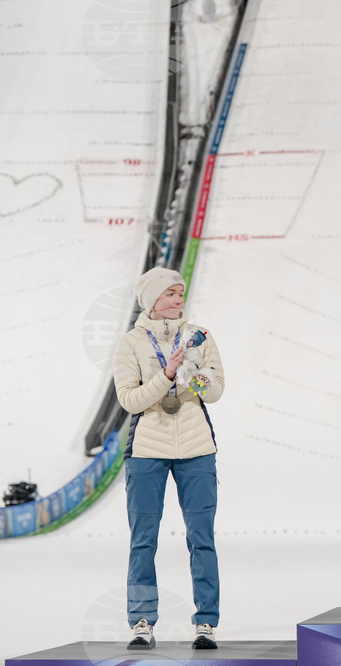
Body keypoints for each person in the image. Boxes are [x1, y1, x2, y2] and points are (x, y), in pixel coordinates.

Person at [112, 267, 225, 650]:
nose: (179, 299)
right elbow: (129, 400)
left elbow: (215, 391)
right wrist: (167, 373)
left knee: (202, 539)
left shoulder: (200, 336)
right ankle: (142, 621)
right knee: (143, 541)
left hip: (197, 450)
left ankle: (206, 622)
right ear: (151, 300)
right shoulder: (130, 342)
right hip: (146, 453)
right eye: (170, 294)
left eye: (181, 293)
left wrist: (196, 376)